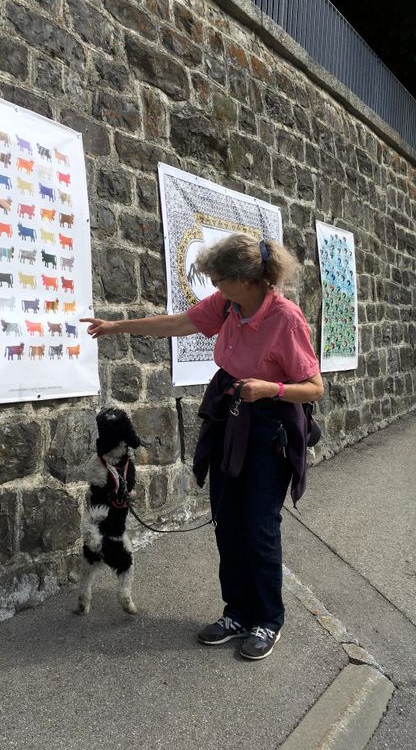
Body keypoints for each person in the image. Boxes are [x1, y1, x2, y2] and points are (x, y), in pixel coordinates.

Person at [82, 233, 323, 661]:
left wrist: (270, 387)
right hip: (231, 417)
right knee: (227, 522)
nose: (215, 288)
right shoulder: (229, 305)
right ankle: (236, 613)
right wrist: (117, 327)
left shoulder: (286, 319)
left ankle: (268, 619)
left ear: (248, 281)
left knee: (259, 527)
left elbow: (314, 388)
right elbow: (179, 323)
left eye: (220, 280)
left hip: (270, 427)